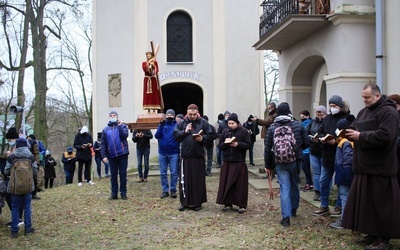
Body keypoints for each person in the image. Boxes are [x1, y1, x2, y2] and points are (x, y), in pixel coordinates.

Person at [342, 83, 400, 249]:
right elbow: (354, 128)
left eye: (367, 97)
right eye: (363, 97)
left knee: (382, 206)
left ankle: (384, 239)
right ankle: (372, 234)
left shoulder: (388, 112)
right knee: (369, 205)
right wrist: (343, 135)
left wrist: (361, 136)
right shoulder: (363, 111)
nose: (364, 100)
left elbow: (386, 136)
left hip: (381, 168)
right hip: (364, 167)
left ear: (377, 95)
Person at [264, 102, 310, 227]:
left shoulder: (273, 128)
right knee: (294, 183)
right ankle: (294, 209)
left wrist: (268, 165)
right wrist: (298, 149)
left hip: (280, 162)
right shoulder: (297, 125)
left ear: (278, 112)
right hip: (295, 160)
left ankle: (286, 218)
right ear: (289, 112)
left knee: (284, 187)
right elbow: (307, 142)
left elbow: (267, 148)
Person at [173, 104, 215, 211]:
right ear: (187, 113)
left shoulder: (203, 122)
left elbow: (212, 135)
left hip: (198, 155)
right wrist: (185, 131)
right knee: (184, 180)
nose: (192, 116)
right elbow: (176, 136)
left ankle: (197, 202)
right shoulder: (182, 123)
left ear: (197, 113)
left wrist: (203, 139)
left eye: (194, 114)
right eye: (190, 114)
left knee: (198, 180)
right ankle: (185, 202)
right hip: (186, 156)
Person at [313, 95, 349, 216]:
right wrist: (321, 138)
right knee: (323, 180)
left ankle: (339, 206)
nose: (332, 108)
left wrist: (337, 141)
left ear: (340, 106)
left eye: (334, 106)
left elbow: (348, 135)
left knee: (339, 182)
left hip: (340, 156)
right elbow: (321, 130)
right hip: (327, 155)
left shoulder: (346, 118)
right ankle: (324, 205)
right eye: (331, 106)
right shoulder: (327, 119)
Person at [217, 113, 251, 213]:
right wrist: (226, 143)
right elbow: (220, 145)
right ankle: (228, 204)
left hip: (239, 161)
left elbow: (248, 145)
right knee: (227, 184)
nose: (230, 125)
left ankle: (241, 205)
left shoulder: (243, 131)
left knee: (240, 185)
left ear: (237, 122)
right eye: (229, 123)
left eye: (232, 123)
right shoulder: (225, 131)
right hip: (227, 161)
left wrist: (237, 144)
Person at [4, 138, 38, 238]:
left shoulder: (12, 157)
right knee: (27, 207)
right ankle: (28, 228)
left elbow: (6, 171)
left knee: (15, 207)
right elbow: (35, 170)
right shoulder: (31, 156)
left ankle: (14, 230)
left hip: (15, 187)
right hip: (28, 186)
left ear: (17, 145)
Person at [329, 115, 355, 229]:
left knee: (345, 196)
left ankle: (344, 220)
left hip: (345, 174)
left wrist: (346, 175)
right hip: (344, 173)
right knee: (345, 196)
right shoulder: (343, 141)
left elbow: (347, 160)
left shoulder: (345, 142)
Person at [101, 111, 130, 200]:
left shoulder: (123, 126)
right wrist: (104, 156)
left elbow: (125, 135)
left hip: (122, 154)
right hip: (112, 155)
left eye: (114, 115)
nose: (113, 117)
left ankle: (123, 193)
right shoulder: (105, 130)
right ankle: (114, 193)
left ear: (117, 117)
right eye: (111, 116)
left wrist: (120, 126)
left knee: (123, 174)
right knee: (113, 175)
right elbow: (103, 144)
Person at [0, 127, 23, 227]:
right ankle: (16, 217)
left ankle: (18, 218)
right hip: (11, 175)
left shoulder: (19, 147)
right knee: (10, 197)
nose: (9, 142)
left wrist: (10, 156)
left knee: (13, 197)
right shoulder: (12, 147)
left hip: (16, 176)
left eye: (10, 140)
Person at [155, 109, 180, 198]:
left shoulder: (177, 125)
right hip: (162, 152)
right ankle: (165, 190)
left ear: (174, 116)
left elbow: (179, 137)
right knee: (163, 173)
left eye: (171, 115)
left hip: (173, 152)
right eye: (168, 115)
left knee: (174, 172)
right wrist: (160, 126)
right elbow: (157, 136)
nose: (169, 116)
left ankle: (173, 190)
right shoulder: (162, 125)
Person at [306, 105, 327, 201]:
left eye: (320, 112)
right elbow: (306, 133)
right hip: (313, 150)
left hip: (324, 150)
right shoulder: (312, 123)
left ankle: (324, 192)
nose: (319, 114)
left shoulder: (327, 122)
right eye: (317, 112)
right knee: (316, 173)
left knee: (324, 173)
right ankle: (317, 191)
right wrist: (311, 139)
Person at [299, 110, 313, 191]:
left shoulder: (309, 123)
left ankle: (310, 183)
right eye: (301, 117)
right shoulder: (303, 124)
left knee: (305, 167)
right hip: (304, 149)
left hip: (307, 149)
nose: (302, 119)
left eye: (303, 117)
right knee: (305, 167)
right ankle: (308, 183)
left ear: (307, 116)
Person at [26, 134, 41, 199]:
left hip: (25, 162)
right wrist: (37, 163)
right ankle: (34, 193)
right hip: (32, 162)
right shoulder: (34, 142)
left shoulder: (24, 141)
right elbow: (36, 153)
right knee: (34, 177)